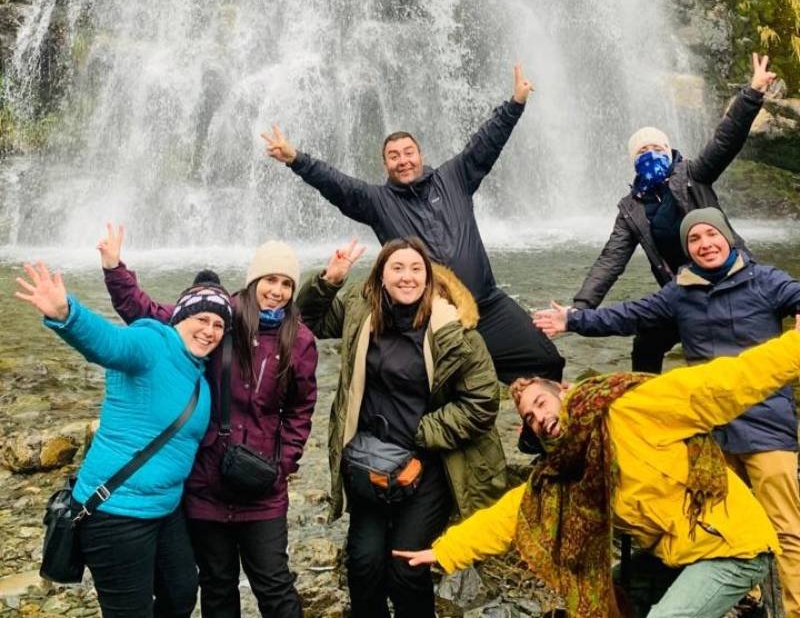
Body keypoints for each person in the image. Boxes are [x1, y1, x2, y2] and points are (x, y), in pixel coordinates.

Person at [393, 327, 800, 618]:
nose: (538, 417)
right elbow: (515, 513)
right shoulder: (569, 464)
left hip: (734, 548)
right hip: (676, 554)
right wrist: (446, 551)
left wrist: (795, 346)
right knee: (596, 601)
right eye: (529, 417)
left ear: (565, 391)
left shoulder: (631, 408)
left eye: (540, 402)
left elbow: (728, 382)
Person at [533, 207, 800, 616]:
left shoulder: (765, 280)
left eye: (712, 235)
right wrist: (573, 320)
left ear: (728, 237)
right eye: (695, 239)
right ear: (686, 249)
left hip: (765, 422)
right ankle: (748, 599)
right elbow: (629, 315)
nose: (705, 244)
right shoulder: (681, 291)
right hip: (711, 429)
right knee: (724, 517)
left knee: (785, 529)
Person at [262, 64, 564, 385]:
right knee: (440, 388)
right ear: (385, 164)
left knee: (545, 360)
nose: (403, 160)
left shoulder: (454, 177)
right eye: (394, 156)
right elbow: (336, 184)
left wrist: (515, 103)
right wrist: (296, 159)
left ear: (420, 155)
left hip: (485, 303)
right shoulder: (377, 202)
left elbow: (486, 143)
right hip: (427, 318)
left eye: (408, 152)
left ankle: (532, 416)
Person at [97, 226, 318, 618]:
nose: (277, 290)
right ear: (254, 280)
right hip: (206, 482)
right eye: (270, 279)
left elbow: (301, 409)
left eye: (286, 283)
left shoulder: (298, 340)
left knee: (274, 583)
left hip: (264, 486)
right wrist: (116, 270)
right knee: (216, 583)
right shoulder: (219, 317)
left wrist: (284, 464)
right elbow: (151, 314)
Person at [295, 236, 507, 618]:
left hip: (428, 464)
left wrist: (420, 433)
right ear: (381, 276)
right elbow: (308, 321)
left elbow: (482, 402)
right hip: (371, 463)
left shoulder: (454, 331)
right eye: (397, 268)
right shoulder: (362, 313)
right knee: (363, 565)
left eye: (415, 269)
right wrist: (329, 279)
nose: (407, 277)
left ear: (428, 278)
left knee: (405, 566)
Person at [15, 261, 232, 618]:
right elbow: (109, 343)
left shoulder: (200, 375)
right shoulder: (151, 342)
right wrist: (67, 314)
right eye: (202, 319)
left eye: (218, 324)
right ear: (180, 317)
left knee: (180, 594)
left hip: (166, 510)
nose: (209, 331)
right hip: (116, 512)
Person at [572, 53, 776, 374]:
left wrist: (752, 93)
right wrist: (578, 310)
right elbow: (609, 261)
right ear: (632, 161)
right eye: (641, 151)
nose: (649, 154)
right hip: (684, 290)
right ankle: (650, 400)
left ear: (668, 152)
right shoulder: (631, 208)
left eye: (656, 149)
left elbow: (725, 140)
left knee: (744, 355)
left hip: (731, 278)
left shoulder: (693, 175)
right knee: (647, 341)